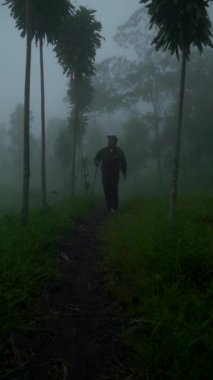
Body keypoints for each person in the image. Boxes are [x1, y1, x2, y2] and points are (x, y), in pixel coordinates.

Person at [94, 135, 127, 212]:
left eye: (111, 140)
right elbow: (96, 158)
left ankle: (115, 207)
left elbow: (123, 162)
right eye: (109, 140)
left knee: (114, 188)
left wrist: (124, 173)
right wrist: (96, 162)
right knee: (106, 189)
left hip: (115, 174)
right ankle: (109, 206)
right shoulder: (103, 151)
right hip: (105, 173)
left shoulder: (119, 151)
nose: (109, 141)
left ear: (115, 142)